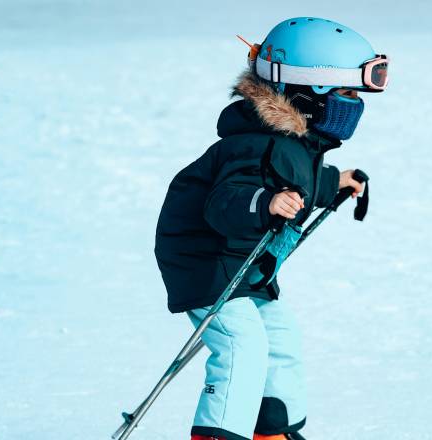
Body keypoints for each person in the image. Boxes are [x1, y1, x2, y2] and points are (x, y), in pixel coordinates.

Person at [154, 16, 388, 440]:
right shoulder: (255, 144)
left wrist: (337, 181)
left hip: (247, 265)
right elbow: (224, 204)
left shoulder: (295, 143)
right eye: (347, 92)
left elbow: (300, 178)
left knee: (280, 341)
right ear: (308, 92)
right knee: (241, 348)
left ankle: (273, 431)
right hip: (207, 264)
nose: (355, 103)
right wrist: (266, 203)